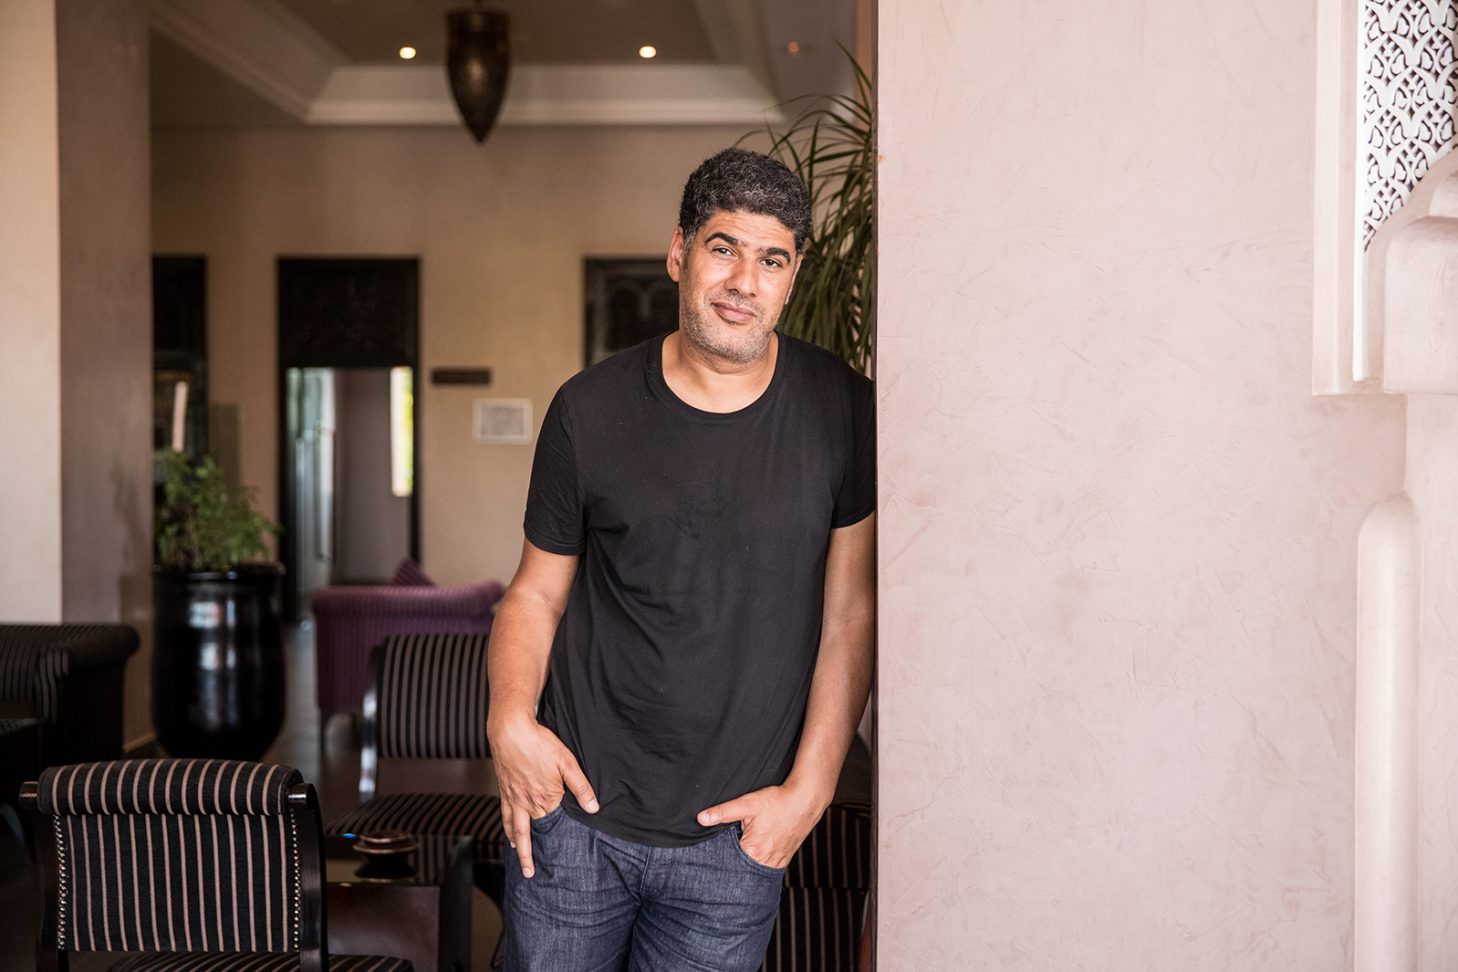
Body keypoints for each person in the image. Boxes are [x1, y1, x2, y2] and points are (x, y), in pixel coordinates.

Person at [486, 147, 876, 972]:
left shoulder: (845, 410)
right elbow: (535, 596)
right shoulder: (588, 410)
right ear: (679, 253)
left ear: (793, 277)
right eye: (723, 248)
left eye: (771, 259)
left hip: (734, 844)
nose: (744, 282)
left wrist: (808, 795)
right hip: (573, 824)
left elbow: (851, 615)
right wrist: (509, 721)